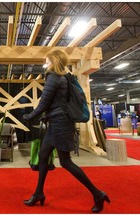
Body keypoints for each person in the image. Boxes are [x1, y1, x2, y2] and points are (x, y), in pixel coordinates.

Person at [22, 50, 110, 213]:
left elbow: (43, 104)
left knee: (66, 162)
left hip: (60, 125)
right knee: (42, 156)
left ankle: (97, 194)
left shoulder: (54, 77)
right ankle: (39, 193)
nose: (45, 64)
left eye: (47, 61)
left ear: (54, 61)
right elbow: (54, 104)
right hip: (58, 123)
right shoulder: (62, 78)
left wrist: (28, 117)